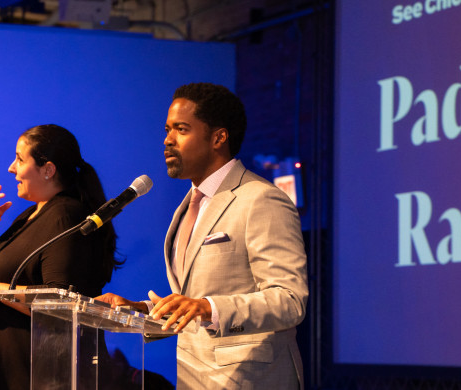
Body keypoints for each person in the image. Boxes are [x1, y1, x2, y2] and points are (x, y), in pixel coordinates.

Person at [97, 83, 308, 389]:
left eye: (181, 129)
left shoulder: (260, 199)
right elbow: (193, 304)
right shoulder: (187, 206)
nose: (168, 140)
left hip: (250, 380)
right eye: (167, 129)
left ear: (218, 138)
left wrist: (209, 306)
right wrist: (141, 310)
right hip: (193, 378)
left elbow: (289, 301)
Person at [0, 124, 121, 390]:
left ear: (48, 170)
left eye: (19, 159)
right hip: (6, 369)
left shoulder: (66, 217)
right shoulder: (29, 215)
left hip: (43, 374)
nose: (11, 168)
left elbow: (61, 303)